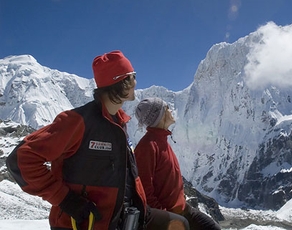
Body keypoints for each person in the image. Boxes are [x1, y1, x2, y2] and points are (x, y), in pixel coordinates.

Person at [6, 51, 189, 230]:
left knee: (178, 225)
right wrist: (66, 200)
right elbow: (21, 159)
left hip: (121, 218)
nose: (136, 82)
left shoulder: (119, 122)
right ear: (121, 81)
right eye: (132, 76)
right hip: (86, 222)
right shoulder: (78, 121)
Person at [134, 97, 221, 230]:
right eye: (167, 108)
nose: (171, 110)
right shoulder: (148, 146)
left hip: (182, 209)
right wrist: (163, 216)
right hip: (169, 214)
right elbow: (144, 189)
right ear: (160, 115)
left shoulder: (161, 140)